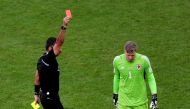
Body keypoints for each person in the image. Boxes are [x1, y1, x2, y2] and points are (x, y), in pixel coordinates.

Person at [33, 16, 71, 109]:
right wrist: (64, 25)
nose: (60, 50)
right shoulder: (49, 58)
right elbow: (60, 42)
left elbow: (37, 78)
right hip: (50, 98)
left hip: (44, 96)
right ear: (50, 48)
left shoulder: (41, 59)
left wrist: (36, 94)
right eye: (57, 48)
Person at [113, 41, 158, 109]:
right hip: (123, 102)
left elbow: (150, 77)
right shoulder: (117, 60)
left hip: (140, 102)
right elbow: (116, 77)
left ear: (135, 52)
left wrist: (154, 95)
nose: (130, 57)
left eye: (133, 55)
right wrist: (115, 94)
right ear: (124, 51)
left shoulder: (144, 60)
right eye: (128, 55)